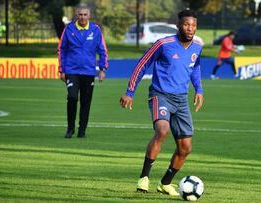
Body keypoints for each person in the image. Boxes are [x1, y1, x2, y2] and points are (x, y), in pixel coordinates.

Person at [119, 9, 204, 196]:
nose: (190, 29)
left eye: (193, 25)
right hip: (160, 95)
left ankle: (165, 183)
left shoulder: (197, 47)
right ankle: (144, 177)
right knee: (162, 130)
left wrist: (199, 89)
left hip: (181, 100)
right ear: (178, 25)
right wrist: (129, 92)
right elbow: (142, 64)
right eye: (186, 24)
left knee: (185, 148)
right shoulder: (163, 44)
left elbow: (195, 67)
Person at [58, 4, 108, 138]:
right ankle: (70, 128)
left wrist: (102, 69)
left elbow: (103, 50)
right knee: (72, 97)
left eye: (85, 14)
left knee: (86, 102)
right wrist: (62, 69)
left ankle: (82, 131)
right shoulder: (69, 29)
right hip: (72, 71)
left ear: (89, 16)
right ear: (76, 15)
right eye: (80, 14)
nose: (83, 17)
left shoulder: (95, 30)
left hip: (88, 72)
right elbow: (61, 49)